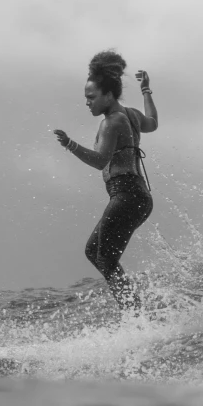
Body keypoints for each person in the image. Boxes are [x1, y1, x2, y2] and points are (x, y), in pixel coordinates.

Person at [54, 50, 158, 309]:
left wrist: (70, 144)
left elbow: (101, 160)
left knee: (104, 257)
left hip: (126, 194)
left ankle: (134, 314)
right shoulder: (131, 115)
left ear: (108, 95)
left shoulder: (111, 122)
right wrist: (146, 91)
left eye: (91, 97)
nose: (87, 102)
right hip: (139, 196)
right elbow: (153, 123)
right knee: (97, 253)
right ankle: (135, 310)